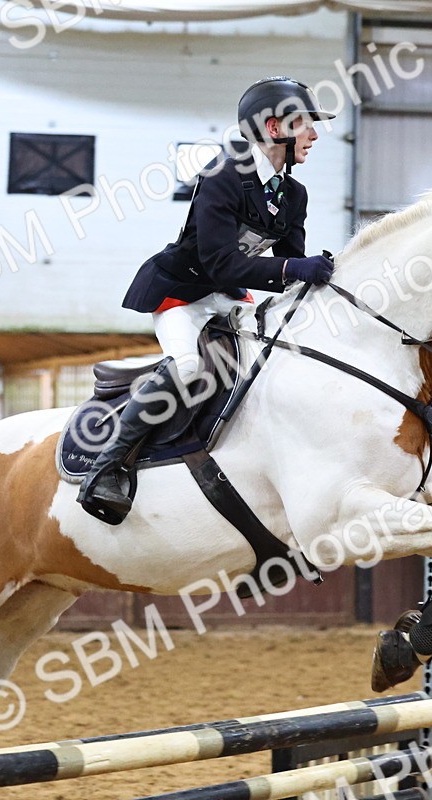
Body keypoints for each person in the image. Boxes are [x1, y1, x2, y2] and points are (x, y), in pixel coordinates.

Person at [78, 76, 337, 524]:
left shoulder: (293, 194)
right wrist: (297, 269)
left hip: (228, 295)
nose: (314, 135)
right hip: (181, 293)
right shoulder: (223, 174)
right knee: (189, 367)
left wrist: (324, 280)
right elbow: (222, 262)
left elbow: (291, 263)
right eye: (306, 125)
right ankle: (106, 468)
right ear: (274, 128)